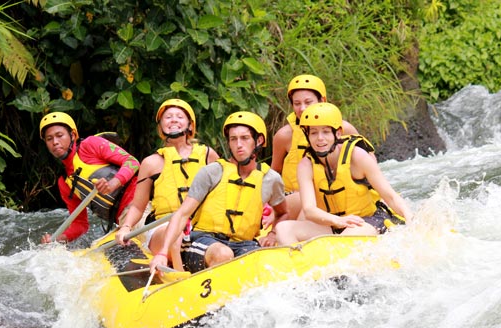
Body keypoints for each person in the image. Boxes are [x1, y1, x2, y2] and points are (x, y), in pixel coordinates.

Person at [149, 111, 289, 274]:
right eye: (233, 139)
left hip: (244, 244)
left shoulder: (271, 179)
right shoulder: (212, 172)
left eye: (244, 138)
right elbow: (181, 215)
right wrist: (163, 252)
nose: (238, 145)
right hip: (203, 241)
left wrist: (272, 234)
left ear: (258, 141)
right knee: (224, 254)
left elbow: (283, 213)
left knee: (265, 264)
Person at [274, 103, 412, 245]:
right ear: (307, 135)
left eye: (326, 132)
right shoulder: (305, 165)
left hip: (367, 220)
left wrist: (411, 220)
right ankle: (297, 262)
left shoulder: (357, 157)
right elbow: (309, 210)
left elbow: (390, 196)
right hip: (334, 223)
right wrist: (338, 221)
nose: (319, 138)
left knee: (344, 239)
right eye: (313, 132)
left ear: (338, 133)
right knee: (283, 228)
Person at [114, 99, 220, 270]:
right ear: (160, 127)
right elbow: (138, 206)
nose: (173, 120)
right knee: (175, 234)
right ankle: (178, 276)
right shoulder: (151, 163)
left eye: (180, 116)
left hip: (201, 224)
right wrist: (125, 227)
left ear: (190, 126)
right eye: (168, 117)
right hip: (163, 227)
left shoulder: (208, 155)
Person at [39, 112, 139, 244]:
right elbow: (80, 224)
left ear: (73, 135)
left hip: (140, 204)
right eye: (49, 139)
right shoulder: (64, 182)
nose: (55, 142)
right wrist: (57, 239)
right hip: (122, 220)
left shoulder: (90, 145)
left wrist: (113, 183)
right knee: (97, 248)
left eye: (59, 135)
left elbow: (132, 162)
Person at [271, 74, 361, 218]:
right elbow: (273, 174)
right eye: (297, 103)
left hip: (334, 193)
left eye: (308, 102)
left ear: (322, 100)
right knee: (304, 198)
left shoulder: (343, 129)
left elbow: (369, 167)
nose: (302, 109)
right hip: (296, 198)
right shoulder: (284, 136)